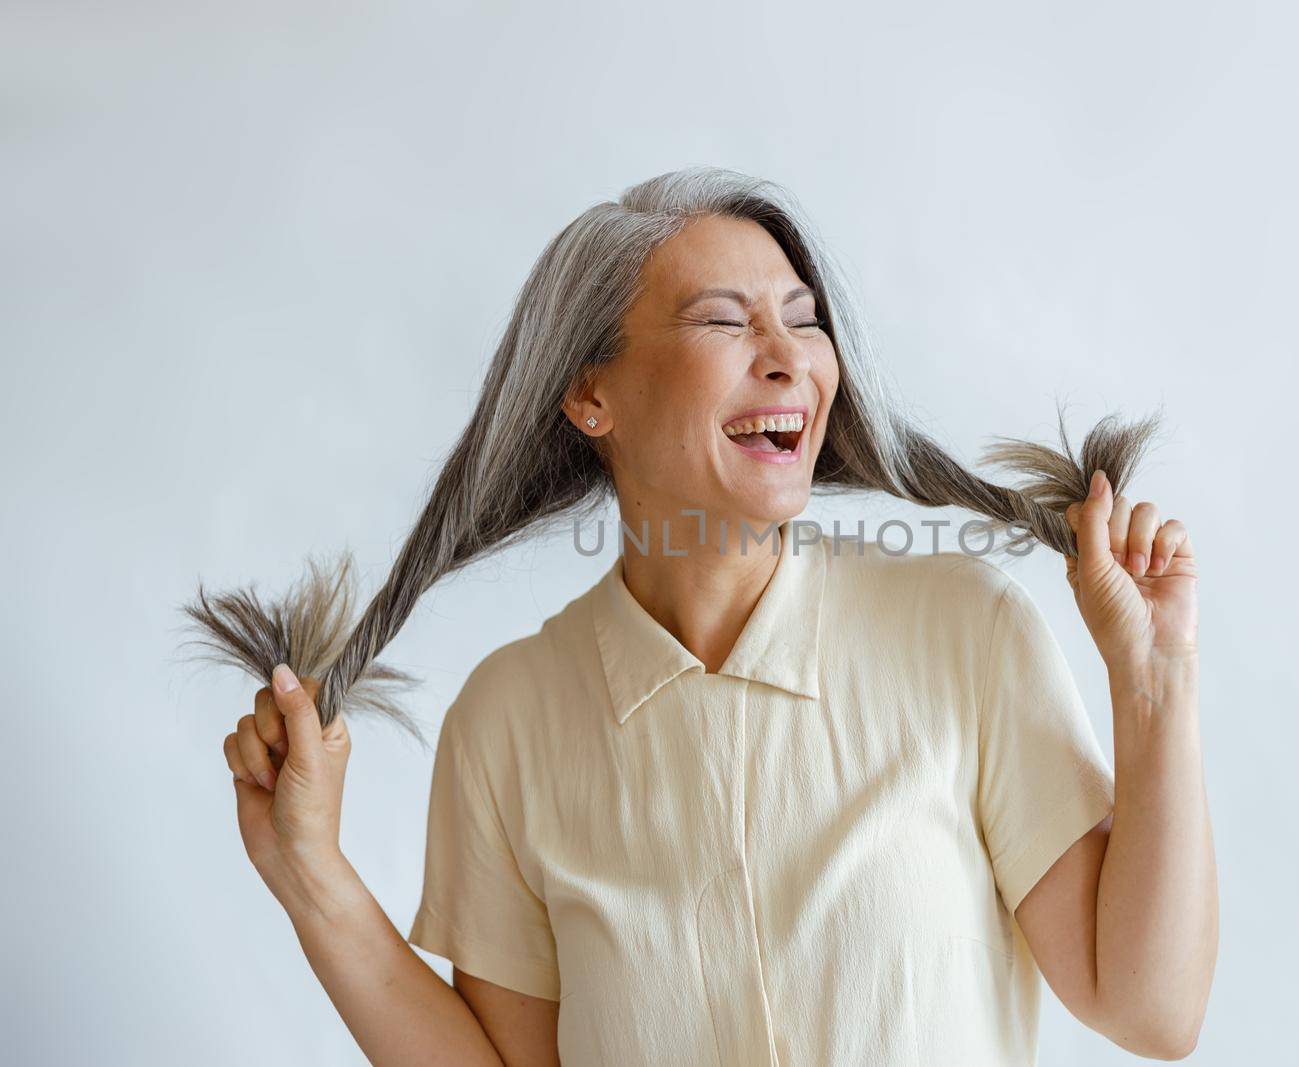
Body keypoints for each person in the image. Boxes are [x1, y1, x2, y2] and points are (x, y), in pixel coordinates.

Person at [213, 169, 1217, 1065]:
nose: (789, 359)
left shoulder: (963, 631)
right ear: (589, 392)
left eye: (803, 317)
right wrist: (310, 875)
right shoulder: (508, 719)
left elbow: (1151, 1010)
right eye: (725, 321)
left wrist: (1154, 674)